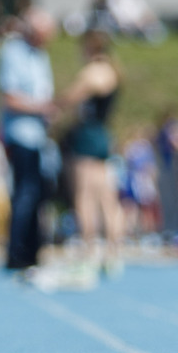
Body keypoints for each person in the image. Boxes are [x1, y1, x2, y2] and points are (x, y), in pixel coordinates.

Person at [0, 7, 57, 271]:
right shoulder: (13, 53)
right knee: (24, 193)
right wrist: (42, 108)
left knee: (38, 194)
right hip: (20, 134)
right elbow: (9, 97)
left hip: (38, 136)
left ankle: (34, 251)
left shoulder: (40, 55)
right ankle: (17, 252)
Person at [60, 29, 125, 270]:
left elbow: (73, 96)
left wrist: (57, 104)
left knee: (85, 195)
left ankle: (89, 248)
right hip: (103, 135)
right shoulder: (114, 70)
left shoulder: (95, 71)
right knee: (107, 196)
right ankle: (113, 250)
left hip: (89, 135)